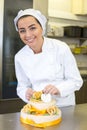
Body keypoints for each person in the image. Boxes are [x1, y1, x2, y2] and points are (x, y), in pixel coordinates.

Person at [14, 8, 83, 107]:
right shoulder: (20, 57)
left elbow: (76, 81)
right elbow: (21, 87)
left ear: (42, 28)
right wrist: (26, 93)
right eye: (22, 31)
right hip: (38, 107)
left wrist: (59, 88)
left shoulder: (60, 48)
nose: (28, 34)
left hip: (64, 107)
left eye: (32, 28)